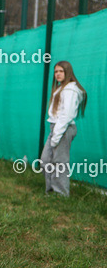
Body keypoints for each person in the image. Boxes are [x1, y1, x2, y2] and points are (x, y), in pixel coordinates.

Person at [41, 61, 87, 197]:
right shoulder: (62, 88)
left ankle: (60, 194)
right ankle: (51, 190)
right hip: (56, 128)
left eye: (61, 71)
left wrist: (56, 136)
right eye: (56, 72)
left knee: (60, 162)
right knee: (45, 160)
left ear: (68, 72)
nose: (58, 74)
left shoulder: (70, 90)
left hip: (63, 128)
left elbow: (66, 115)